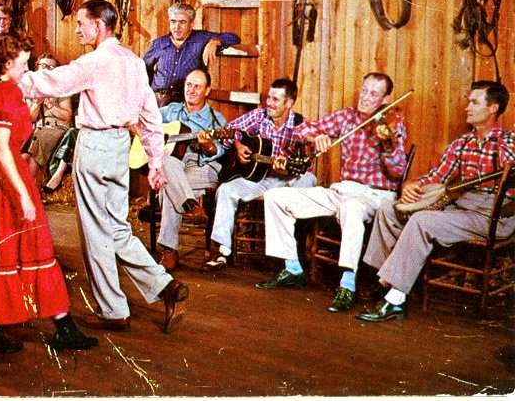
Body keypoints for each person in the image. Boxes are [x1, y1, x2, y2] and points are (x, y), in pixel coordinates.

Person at [19, 0, 188, 335]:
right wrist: (155, 161)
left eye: (82, 22)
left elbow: (50, 83)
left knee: (97, 233)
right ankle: (163, 285)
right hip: (119, 149)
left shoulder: (93, 62)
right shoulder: (135, 62)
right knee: (117, 228)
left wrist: (10, 75)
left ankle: (113, 310)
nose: (78, 28)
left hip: (95, 146)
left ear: (98, 25)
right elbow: (150, 117)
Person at [0, 33, 98, 357]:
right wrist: (23, 194)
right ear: (8, 64)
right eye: (24, 63)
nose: (27, 70)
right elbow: (0, 148)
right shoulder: (7, 93)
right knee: (32, 252)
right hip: (6, 181)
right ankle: (61, 329)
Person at [358, 81, 515, 322]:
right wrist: (413, 185)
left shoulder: (508, 140)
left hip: (494, 214)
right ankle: (385, 282)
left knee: (423, 220)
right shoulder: (462, 143)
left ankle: (396, 300)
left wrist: (499, 142)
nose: (467, 108)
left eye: (474, 102)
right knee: (389, 208)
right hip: (463, 208)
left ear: (493, 108)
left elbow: (509, 167)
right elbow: (436, 176)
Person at [257, 72, 408, 314]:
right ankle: (293, 268)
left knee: (352, 208)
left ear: (385, 99)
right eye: (364, 90)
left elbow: (398, 170)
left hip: (375, 195)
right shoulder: (346, 116)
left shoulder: (392, 124)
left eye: (374, 94)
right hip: (342, 190)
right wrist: (315, 137)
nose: (366, 98)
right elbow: (300, 129)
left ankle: (347, 285)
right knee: (276, 196)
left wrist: (387, 145)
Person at [201, 78, 317, 272]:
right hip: (260, 177)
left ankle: (294, 250)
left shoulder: (301, 125)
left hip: (288, 179)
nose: (269, 103)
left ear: (289, 103)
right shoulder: (259, 116)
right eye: (268, 97)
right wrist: (239, 145)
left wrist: (288, 167)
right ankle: (222, 250)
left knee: (309, 180)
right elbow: (233, 130)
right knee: (226, 190)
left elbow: (307, 162)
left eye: (275, 99)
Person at [149, 68, 228, 272]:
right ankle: (191, 205)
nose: (191, 90)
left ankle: (169, 251)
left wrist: (207, 145)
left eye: (197, 86)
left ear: (207, 90)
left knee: (168, 186)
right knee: (167, 163)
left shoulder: (216, 120)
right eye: (188, 85)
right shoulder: (170, 111)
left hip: (200, 165)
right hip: (174, 162)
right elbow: (145, 123)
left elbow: (216, 152)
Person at [143, 2, 240, 107]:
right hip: (158, 101)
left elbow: (234, 37)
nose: (177, 27)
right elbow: (144, 69)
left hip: (186, 101)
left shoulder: (201, 38)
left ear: (191, 24)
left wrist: (215, 41)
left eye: (182, 22)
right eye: (173, 22)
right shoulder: (159, 43)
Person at [22, 53, 74, 184]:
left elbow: (67, 115)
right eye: (44, 66)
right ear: (37, 68)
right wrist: (37, 104)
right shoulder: (31, 90)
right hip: (39, 128)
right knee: (24, 153)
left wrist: (50, 105)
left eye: (52, 67)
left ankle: (30, 187)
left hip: (57, 128)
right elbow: (29, 118)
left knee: (40, 136)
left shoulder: (61, 90)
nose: (47, 70)